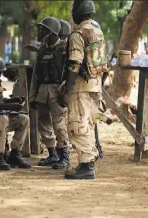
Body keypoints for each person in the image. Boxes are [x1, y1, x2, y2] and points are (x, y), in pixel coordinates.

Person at [57, 0, 109, 179]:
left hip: (81, 86)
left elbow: (74, 63)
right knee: (88, 123)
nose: (72, 13)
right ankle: (89, 160)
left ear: (79, 11)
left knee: (77, 124)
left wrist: (67, 88)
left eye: (73, 9)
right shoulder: (97, 32)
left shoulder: (78, 34)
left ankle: (86, 166)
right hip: (96, 85)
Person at [28, 17, 70, 169]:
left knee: (59, 124)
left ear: (52, 32)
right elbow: (35, 76)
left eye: (43, 29)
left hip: (57, 91)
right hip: (42, 91)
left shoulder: (63, 49)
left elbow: (69, 73)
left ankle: (64, 156)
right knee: (43, 124)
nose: (40, 32)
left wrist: (65, 93)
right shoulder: (41, 50)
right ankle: (53, 154)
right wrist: (32, 96)